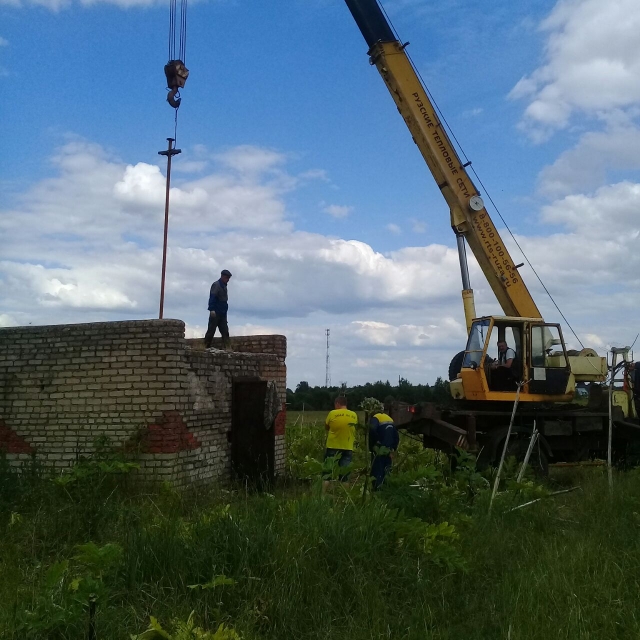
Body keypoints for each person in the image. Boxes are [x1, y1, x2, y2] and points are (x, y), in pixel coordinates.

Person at [323, 396, 358, 483]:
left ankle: (323, 494)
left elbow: (327, 427)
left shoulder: (332, 413)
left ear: (337, 403)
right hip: (348, 447)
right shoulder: (354, 415)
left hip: (333, 446)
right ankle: (344, 494)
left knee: (327, 472)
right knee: (345, 474)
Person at [369, 404, 399, 490]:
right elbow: (396, 437)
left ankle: (377, 490)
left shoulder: (376, 418)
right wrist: (393, 449)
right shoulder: (389, 418)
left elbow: (372, 429)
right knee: (387, 470)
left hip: (379, 449)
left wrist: (376, 441)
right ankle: (386, 489)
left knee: (377, 470)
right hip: (389, 450)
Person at [204, 269, 232, 348]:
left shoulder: (224, 286)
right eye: (227, 278)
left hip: (222, 313)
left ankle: (228, 348)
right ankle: (206, 347)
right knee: (211, 330)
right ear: (222, 276)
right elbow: (213, 297)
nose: (228, 280)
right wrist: (212, 309)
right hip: (216, 312)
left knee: (225, 331)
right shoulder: (216, 285)